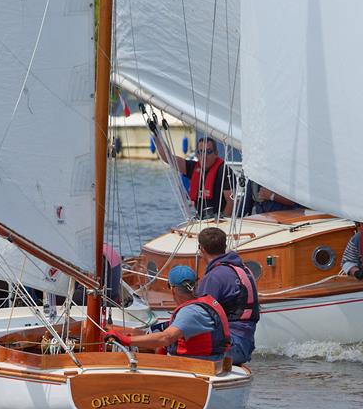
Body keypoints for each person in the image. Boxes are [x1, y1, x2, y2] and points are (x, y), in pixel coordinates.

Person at [103, 266, 230, 361]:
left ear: (172, 288)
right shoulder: (203, 303)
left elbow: (166, 338)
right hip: (207, 362)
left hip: (199, 366)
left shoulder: (192, 312)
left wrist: (127, 340)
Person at [196, 227, 259, 365]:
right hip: (246, 344)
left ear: (202, 249)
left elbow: (197, 317)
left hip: (232, 348)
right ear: (224, 247)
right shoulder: (243, 269)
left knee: (175, 346)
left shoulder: (214, 277)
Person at [161, 136, 233, 218]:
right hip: (200, 220)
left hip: (219, 221)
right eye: (201, 152)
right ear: (197, 154)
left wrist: (221, 222)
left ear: (216, 153)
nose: (204, 156)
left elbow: (231, 202)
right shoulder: (193, 167)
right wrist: (156, 134)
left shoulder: (224, 171)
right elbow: (168, 158)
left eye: (208, 152)